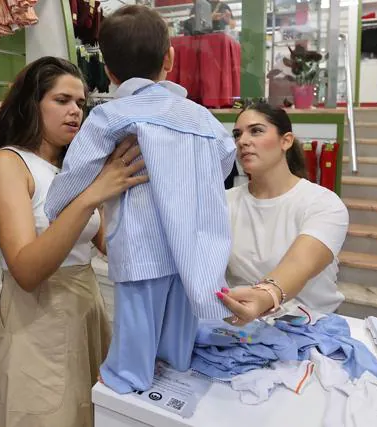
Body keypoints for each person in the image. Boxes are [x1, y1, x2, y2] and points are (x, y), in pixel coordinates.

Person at [44, 5, 236, 395]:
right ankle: (177, 365)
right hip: (193, 244)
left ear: (110, 72)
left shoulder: (110, 117)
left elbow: (76, 173)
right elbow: (225, 160)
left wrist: (55, 206)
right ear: (170, 57)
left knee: (136, 322)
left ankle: (128, 377)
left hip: (140, 242)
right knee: (181, 319)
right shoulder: (201, 118)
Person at [0, 56, 147, 427]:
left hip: (86, 307)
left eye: (81, 104)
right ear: (31, 103)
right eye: (62, 100)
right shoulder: (9, 164)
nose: (75, 111)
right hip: (36, 319)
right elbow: (26, 270)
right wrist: (90, 196)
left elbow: (109, 245)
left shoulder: (74, 170)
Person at [218, 102, 349, 326]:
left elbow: (300, 262)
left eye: (256, 131)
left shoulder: (323, 203)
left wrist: (265, 295)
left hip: (312, 327)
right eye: (237, 134)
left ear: (285, 140)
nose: (243, 141)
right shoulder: (224, 202)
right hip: (241, 328)